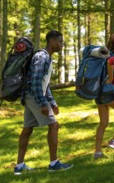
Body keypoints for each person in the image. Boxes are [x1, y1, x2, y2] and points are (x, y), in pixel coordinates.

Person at [14, 30, 73, 174]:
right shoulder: (41, 56)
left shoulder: (47, 57)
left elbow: (44, 84)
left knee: (28, 129)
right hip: (33, 95)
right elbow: (35, 81)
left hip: (31, 95)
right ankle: (54, 164)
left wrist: (52, 102)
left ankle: (19, 167)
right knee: (54, 125)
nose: (61, 45)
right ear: (52, 41)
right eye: (60, 41)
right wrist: (42, 102)